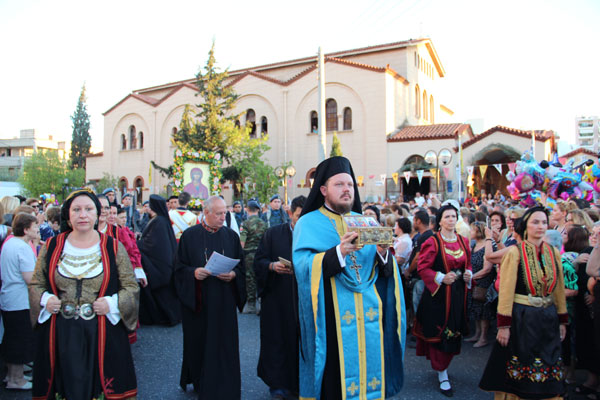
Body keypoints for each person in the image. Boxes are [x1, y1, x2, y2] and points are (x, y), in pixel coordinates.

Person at [293, 156, 406, 400]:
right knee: (336, 381)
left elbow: (385, 273)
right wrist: (338, 253)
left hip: (370, 316)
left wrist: (383, 254)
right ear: (323, 190)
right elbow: (302, 267)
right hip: (333, 317)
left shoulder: (366, 221)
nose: (347, 190)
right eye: (339, 185)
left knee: (371, 373)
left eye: (350, 185)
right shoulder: (308, 223)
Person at [29, 189, 139, 399]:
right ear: (68, 215)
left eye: (88, 209)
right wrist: (45, 299)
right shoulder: (52, 246)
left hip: (101, 332)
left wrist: (112, 303)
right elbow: (36, 283)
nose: (82, 215)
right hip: (61, 333)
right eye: (76, 210)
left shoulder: (114, 247)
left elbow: (131, 287)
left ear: (97, 214)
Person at [479, 206, 568, 399]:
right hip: (522, 318)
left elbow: (559, 289)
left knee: (548, 365)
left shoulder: (553, 253)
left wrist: (562, 319)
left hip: (547, 318)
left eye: (544, 222)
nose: (541, 226)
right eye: (535, 222)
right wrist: (504, 326)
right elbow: (506, 290)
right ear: (526, 226)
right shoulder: (515, 253)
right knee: (521, 366)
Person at [174, 196, 246, 399]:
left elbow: (241, 268)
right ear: (206, 213)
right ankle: (199, 380)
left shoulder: (231, 236)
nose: (223, 217)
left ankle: (225, 383)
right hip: (199, 301)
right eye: (219, 213)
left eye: (225, 213)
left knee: (224, 343)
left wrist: (233, 275)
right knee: (200, 342)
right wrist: (193, 273)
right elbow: (179, 270)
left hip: (224, 300)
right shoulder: (189, 236)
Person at [413, 204, 472, 396]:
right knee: (440, 332)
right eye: (447, 216)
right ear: (439, 220)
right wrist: (440, 277)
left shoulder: (463, 241)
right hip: (438, 296)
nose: (451, 220)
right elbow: (423, 268)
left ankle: (444, 367)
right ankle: (442, 373)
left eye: (454, 216)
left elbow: (467, 264)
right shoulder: (433, 242)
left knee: (453, 330)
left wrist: (468, 274)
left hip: (457, 295)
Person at [254, 195, 305, 400]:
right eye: (299, 216)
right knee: (277, 340)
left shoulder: (314, 236)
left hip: (304, 299)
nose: (302, 221)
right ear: (290, 214)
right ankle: (278, 384)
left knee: (302, 342)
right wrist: (272, 266)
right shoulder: (273, 234)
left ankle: (301, 383)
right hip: (277, 297)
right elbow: (258, 261)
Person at [0, 213, 38, 390]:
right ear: (26, 229)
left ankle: (12, 375)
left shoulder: (10, 243)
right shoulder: (22, 247)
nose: (37, 229)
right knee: (19, 340)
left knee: (12, 337)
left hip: (9, 298)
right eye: (34, 226)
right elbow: (30, 278)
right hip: (19, 300)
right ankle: (16, 379)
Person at [137, 195, 181, 325]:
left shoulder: (159, 221)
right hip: (162, 261)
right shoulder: (160, 220)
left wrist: (137, 244)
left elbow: (152, 244)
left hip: (158, 263)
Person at [465, 221, 495, 348]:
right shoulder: (474, 245)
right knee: (475, 308)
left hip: (483, 281)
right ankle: (477, 334)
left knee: (483, 311)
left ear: (478, 231)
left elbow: (487, 269)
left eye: (472, 230)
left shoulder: (486, 246)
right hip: (474, 281)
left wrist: (472, 276)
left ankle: (483, 337)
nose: (470, 232)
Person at [240, 200, 267, 314]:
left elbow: (242, 242)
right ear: (257, 210)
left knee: (250, 278)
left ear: (247, 209)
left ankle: (251, 305)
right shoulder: (263, 223)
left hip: (249, 254)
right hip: (261, 254)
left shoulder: (245, 223)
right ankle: (262, 303)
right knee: (261, 277)